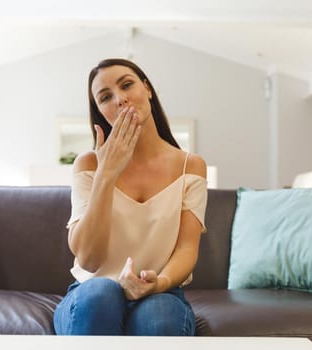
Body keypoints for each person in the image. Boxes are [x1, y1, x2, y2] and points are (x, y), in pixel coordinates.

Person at [53, 58, 208, 336]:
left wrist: (159, 282)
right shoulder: (89, 163)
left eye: (127, 85)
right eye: (105, 97)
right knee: (102, 292)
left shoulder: (191, 166)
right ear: (100, 112)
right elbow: (88, 259)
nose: (120, 99)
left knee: (160, 311)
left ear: (147, 89)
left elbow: (187, 249)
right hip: (92, 292)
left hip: (161, 292)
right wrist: (106, 175)